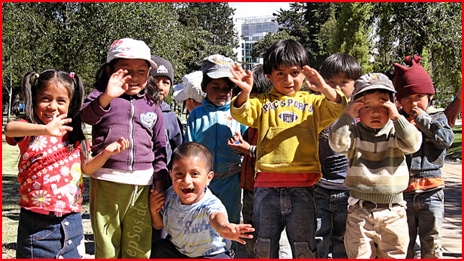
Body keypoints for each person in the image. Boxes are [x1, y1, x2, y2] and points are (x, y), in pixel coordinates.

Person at [230, 39, 348, 258]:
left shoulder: (313, 102)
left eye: (294, 73)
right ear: (269, 77)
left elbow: (337, 106)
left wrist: (323, 87)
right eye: (280, 74)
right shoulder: (263, 103)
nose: (288, 80)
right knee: (264, 245)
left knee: (304, 245)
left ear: (304, 73)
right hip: (266, 188)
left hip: (304, 188)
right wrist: (245, 92)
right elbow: (242, 113)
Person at [4, 70, 129, 258]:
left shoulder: (74, 136)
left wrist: (107, 153)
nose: (52, 106)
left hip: (72, 221)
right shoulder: (30, 130)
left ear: (71, 105)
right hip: (37, 223)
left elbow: (87, 167)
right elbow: (10, 129)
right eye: (45, 99)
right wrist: (45, 130)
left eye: (61, 101)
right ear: (35, 99)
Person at [80, 38, 168, 258]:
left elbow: (160, 148)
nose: (134, 76)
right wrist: (107, 96)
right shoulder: (101, 98)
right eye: (125, 70)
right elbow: (86, 117)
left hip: (143, 183)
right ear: (111, 70)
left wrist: (159, 181)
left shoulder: (152, 104)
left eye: (141, 70)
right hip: (107, 180)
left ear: (149, 73)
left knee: (138, 245)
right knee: (107, 244)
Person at [328, 72, 422, 258]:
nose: (376, 112)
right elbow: (337, 144)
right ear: (357, 109)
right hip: (360, 212)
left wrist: (397, 118)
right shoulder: (354, 133)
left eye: (383, 105)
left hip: (394, 211)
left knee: (394, 255)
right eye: (367, 106)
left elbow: (413, 145)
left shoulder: (397, 132)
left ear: (392, 105)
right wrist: (347, 115)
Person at [184, 54, 247, 253]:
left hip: (231, 180)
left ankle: (230, 254)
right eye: (215, 87)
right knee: (202, 221)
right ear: (204, 87)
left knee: (229, 222)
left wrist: (241, 146)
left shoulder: (238, 113)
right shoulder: (196, 114)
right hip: (203, 183)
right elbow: (189, 146)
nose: (222, 92)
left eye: (227, 88)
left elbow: (247, 141)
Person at [393, 55, 455, 258]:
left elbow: (445, 139)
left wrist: (422, 119)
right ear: (399, 101)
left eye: (419, 96)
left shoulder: (438, 118)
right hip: (405, 192)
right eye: (407, 98)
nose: (414, 103)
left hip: (431, 191)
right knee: (405, 240)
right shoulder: (398, 121)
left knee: (431, 238)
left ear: (430, 97)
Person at [149, 142, 255, 258]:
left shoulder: (210, 204)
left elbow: (216, 217)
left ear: (208, 178)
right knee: (159, 248)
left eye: (194, 174)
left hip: (210, 254)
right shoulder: (170, 196)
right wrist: (154, 210)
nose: (186, 180)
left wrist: (224, 227)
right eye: (179, 174)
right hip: (179, 252)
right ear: (171, 175)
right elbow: (159, 226)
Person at [314, 53, 362, 258]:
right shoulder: (316, 112)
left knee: (344, 240)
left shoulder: (361, 117)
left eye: (344, 82)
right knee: (318, 239)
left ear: (355, 85)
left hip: (349, 191)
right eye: (331, 82)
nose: (337, 87)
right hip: (319, 189)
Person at [227, 64, 272, 258]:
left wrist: (249, 149)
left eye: (253, 97)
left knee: (267, 235)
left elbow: (274, 152)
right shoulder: (252, 125)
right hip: (250, 188)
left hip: (266, 190)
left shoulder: (271, 122)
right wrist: (241, 146)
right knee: (251, 233)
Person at [150, 55, 183, 165]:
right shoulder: (137, 110)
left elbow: (178, 149)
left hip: (164, 175)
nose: (160, 86)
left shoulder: (171, 117)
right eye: (155, 81)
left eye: (165, 82)